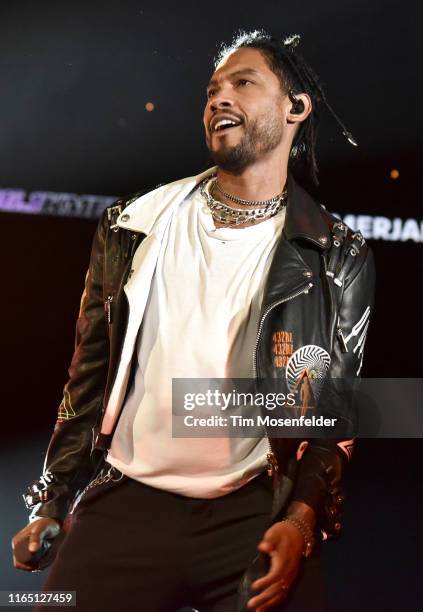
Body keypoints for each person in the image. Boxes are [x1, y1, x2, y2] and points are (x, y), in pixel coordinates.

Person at [12, 30, 375, 611]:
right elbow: (87, 378)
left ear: (296, 107)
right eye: (212, 89)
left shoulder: (336, 254)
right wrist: (53, 500)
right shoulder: (133, 226)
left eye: (243, 83)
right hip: (127, 501)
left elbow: (336, 410)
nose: (218, 98)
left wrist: (301, 521)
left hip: (254, 506)